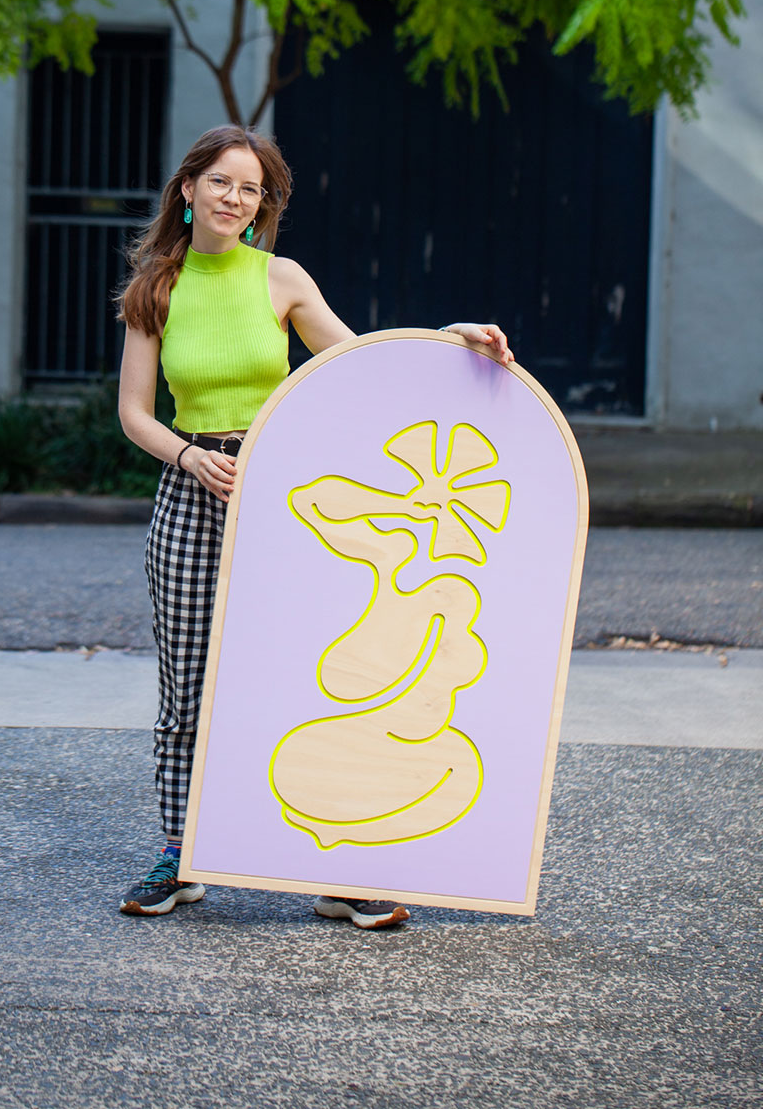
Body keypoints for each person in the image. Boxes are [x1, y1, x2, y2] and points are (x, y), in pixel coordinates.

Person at [115, 125, 513, 928]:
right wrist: (190, 458)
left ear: (263, 205)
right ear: (188, 190)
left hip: (283, 501)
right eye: (221, 182)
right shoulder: (158, 286)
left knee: (301, 682)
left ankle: (337, 866)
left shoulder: (283, 279)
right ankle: (183, 850)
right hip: (193, 498)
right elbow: (132, 413)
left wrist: (449, 340)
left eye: (251, 189)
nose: (234, 198)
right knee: (188, 685)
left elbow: (361, 365)